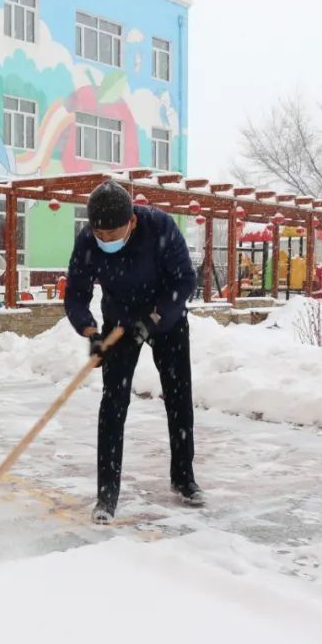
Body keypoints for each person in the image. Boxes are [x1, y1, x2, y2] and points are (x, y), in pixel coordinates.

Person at [64, 180, 203, 523]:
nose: (106, 240)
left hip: (166, 319)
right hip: (120, 324)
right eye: (101, 235)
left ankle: (184, 479)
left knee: (178, 398)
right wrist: (90, 331)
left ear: (132, 222)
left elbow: (186, 280)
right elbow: (76, 294)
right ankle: (106, 495)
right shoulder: (86, 242)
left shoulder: (160, 227)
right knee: (113, 403)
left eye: (114, 234)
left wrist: (155, 317)